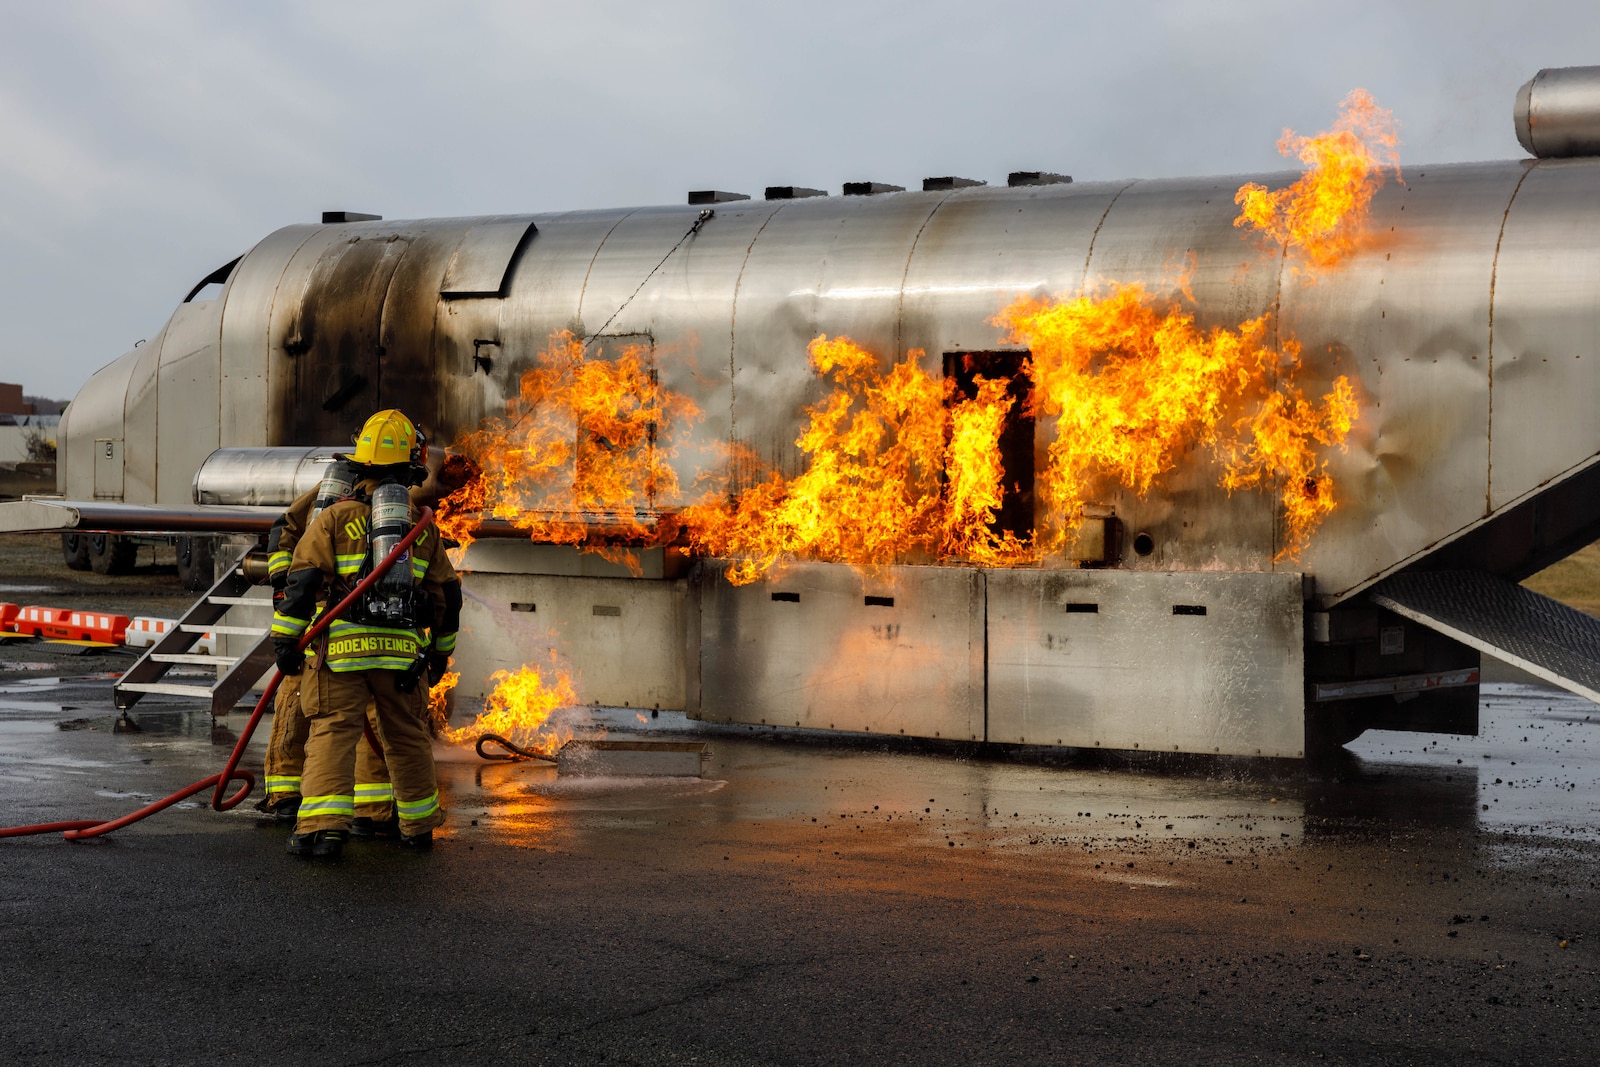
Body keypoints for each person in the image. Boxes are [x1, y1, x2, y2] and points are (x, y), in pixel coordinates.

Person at [271, 409, 461, 858]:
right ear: (412, 467)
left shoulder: (334, 518)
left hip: (342, 653)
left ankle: (323, 830)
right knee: (407, 736)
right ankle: (417, 828)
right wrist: (439, 655)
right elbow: (447, 597)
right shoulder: (422, 527)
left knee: (333, 732)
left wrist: (286, 640)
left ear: (360, 464)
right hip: (401, 658)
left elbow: (301, 583)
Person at [256, 462, 397, 836]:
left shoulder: (387, 497)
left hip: (331, 620)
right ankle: (291, 796)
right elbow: (285, 531)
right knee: (317, 705)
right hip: (322, 618)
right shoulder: (343, 493)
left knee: (332, 711)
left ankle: (367, 807)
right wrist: (283, 584)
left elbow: (284, 530)